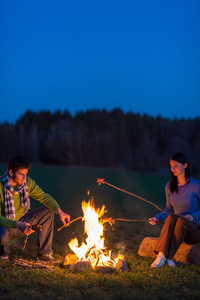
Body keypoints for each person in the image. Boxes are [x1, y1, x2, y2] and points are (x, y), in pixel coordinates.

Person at [0, 155, 71, 261]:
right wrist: (18, 224)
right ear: (11, 172)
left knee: (47, 212)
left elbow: (44, 197)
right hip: (4, 226)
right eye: (21, 174)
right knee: (2, 234)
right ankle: (3, 254)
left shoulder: (26, 182)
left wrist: (60, 212)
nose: (24, 178)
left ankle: (44, 253)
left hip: (20, 224)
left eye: (26, 174)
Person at [149, 152, 200, 268]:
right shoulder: (169, 186)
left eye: (176, 166)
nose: (173, 169)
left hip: (194, 230)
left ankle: (169, 257)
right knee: (172, 217)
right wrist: (156, 218)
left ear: (185, 165)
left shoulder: (196, 185)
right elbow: (169, 209)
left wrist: (192, 217)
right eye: (171, 166)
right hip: (177, 229)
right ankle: (161, 256)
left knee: (182, 220)